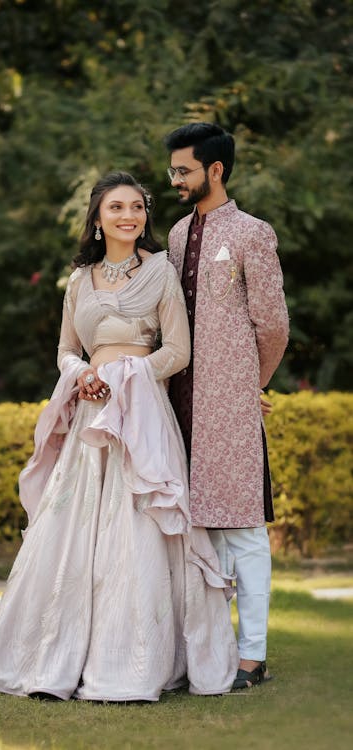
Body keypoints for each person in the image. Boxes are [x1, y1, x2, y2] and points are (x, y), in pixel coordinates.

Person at [0, 171, 238, 701]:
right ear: (97, 218)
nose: (129, 216)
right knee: (73, 528)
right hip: (92, 416)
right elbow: (67, 349)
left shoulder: (161, 272)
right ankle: (51, 655)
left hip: (140, 414)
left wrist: (126, 375)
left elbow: (178, 352)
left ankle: (133, 663)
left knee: (137, 528)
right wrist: (81, 374)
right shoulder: (79, 281)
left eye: (137, 207)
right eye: (117, 208)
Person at [164, 123, 289, 689]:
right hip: (177, 405)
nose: (176, 180)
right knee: (197, 532)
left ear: (215, 170)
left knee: (241, 530)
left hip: (229, 405)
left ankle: (252, 656)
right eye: (173, 171)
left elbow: (274, 326)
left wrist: (249, 385)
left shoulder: (252, 233)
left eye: (184, 170)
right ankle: (208, 653)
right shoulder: (173, 235)